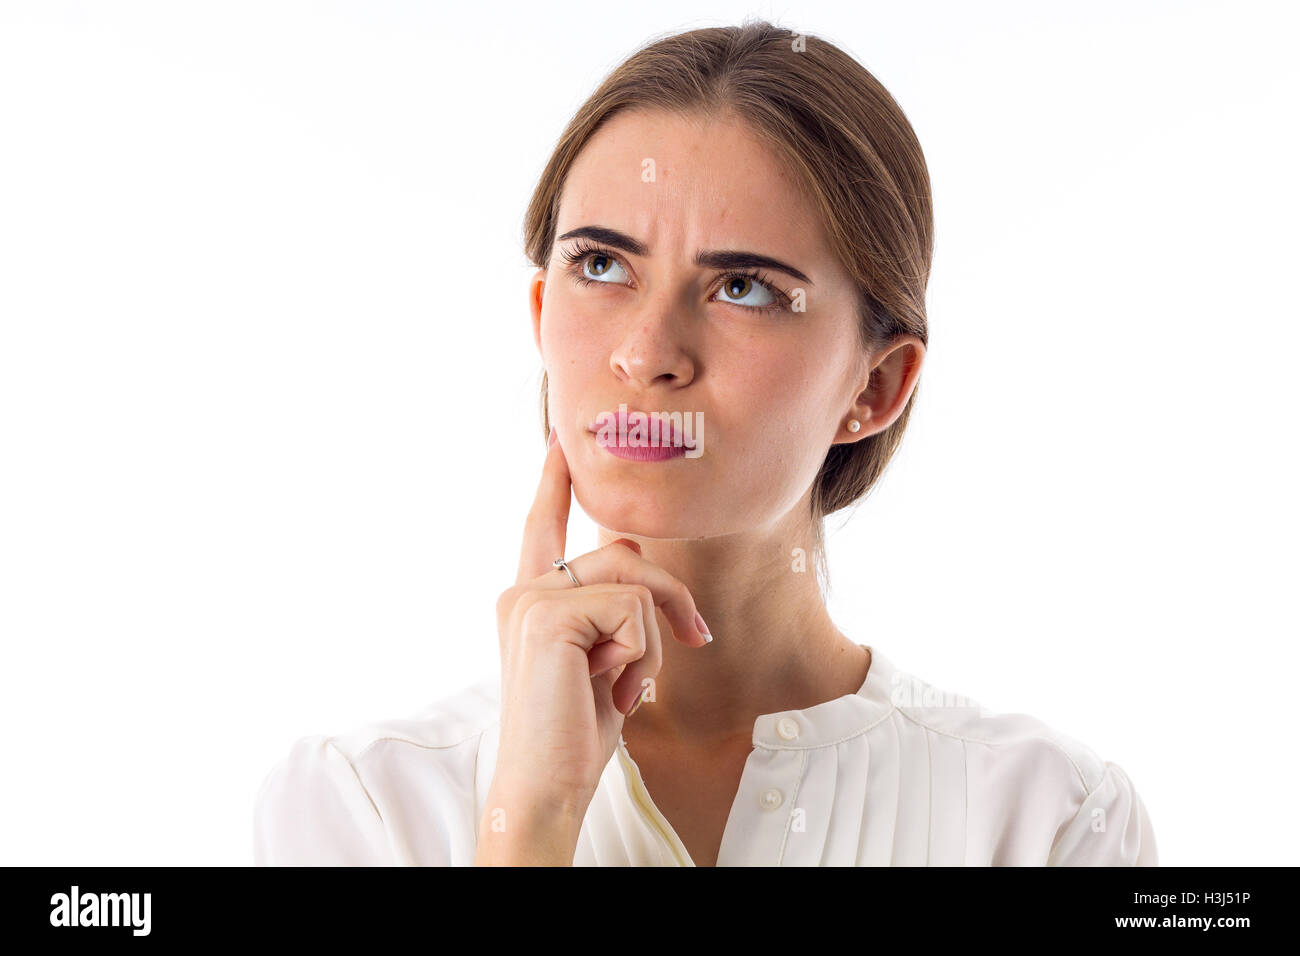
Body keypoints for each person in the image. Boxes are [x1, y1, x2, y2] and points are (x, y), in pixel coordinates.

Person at [253, 19, 1157, 867]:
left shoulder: (1049, 822)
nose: (646, 354)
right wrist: (527, 817)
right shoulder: (363, 803)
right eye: (601, 265)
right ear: (541, 313)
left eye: (746, 288)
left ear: (875, 386)